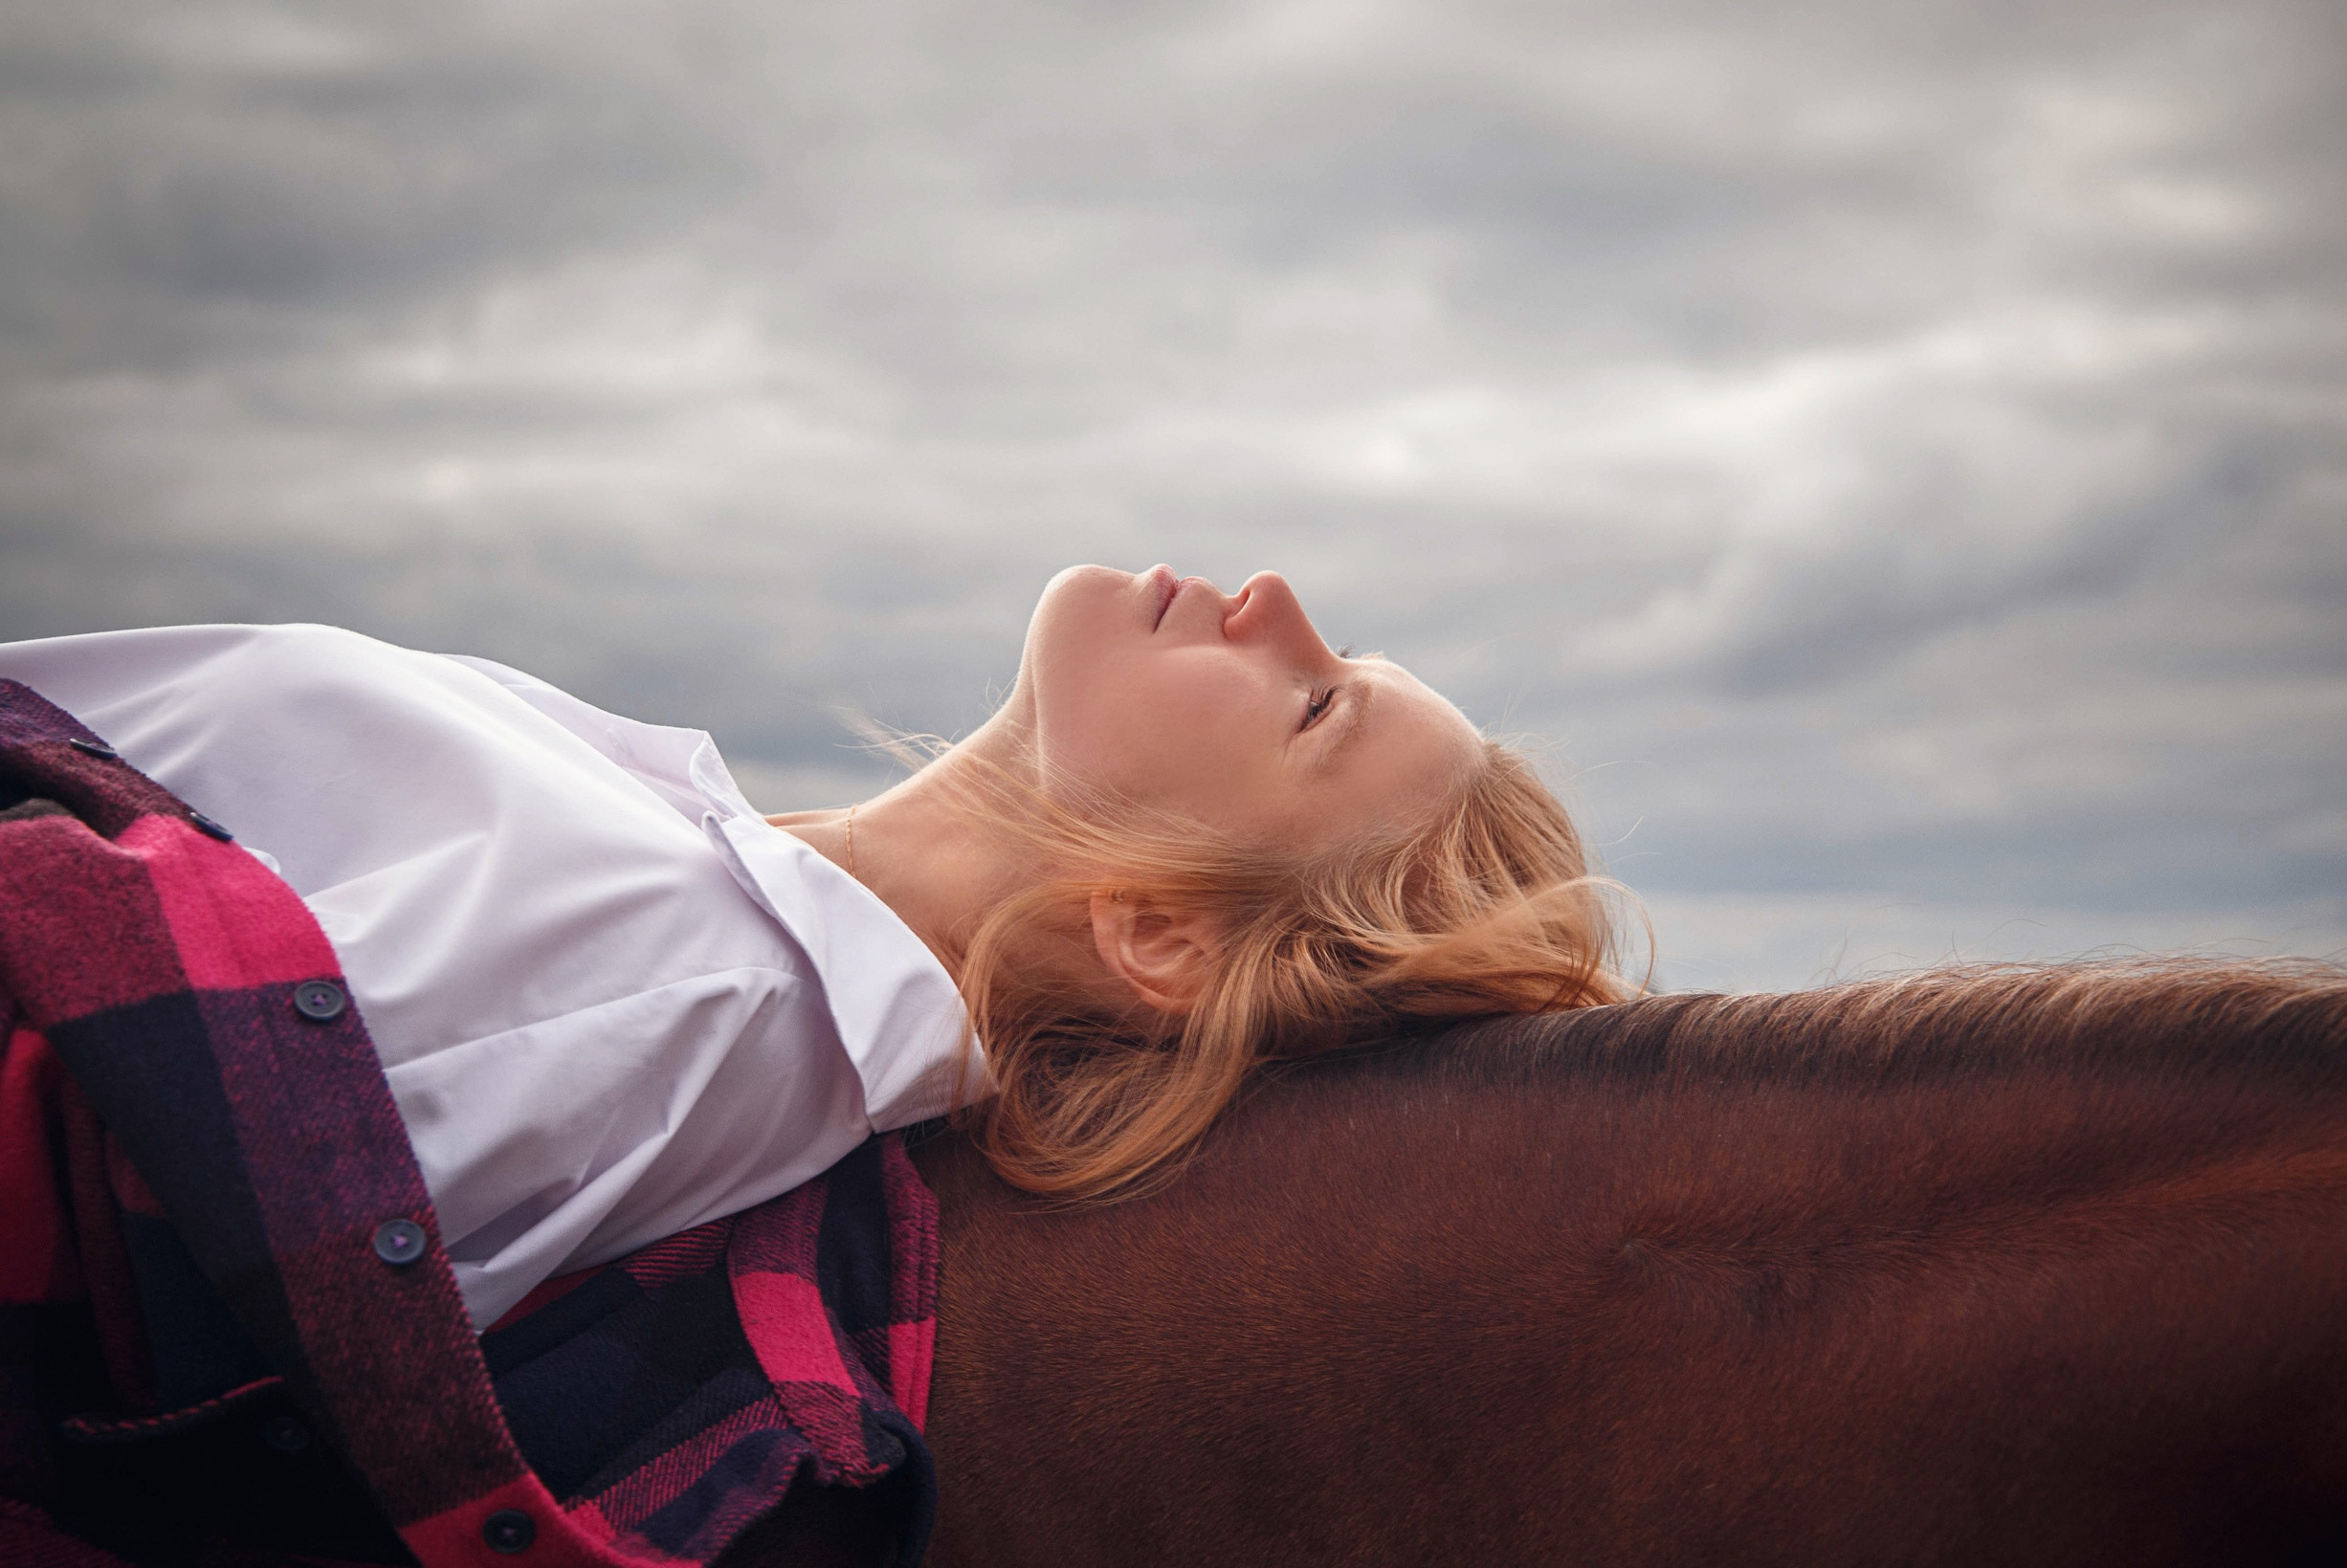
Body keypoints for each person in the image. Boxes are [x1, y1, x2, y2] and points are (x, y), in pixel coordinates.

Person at [0, 563, 1630, 1330]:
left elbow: (109, 1143)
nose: (1276, 596)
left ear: (1160, 934)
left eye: (1316, 697)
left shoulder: (675, 992)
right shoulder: (700, 889)